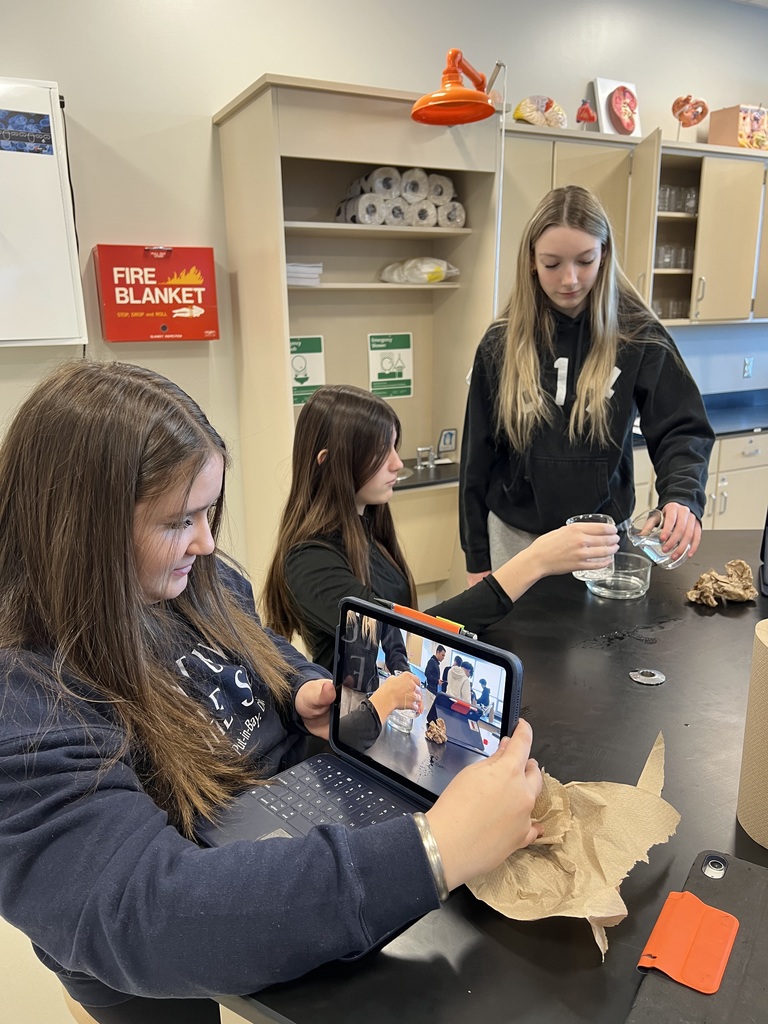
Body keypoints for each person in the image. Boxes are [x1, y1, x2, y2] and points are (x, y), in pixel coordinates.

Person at [0, 360, 544, 1024]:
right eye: (179, 521)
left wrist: (301, 689)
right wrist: (433, 851)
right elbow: (142, 912)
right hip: (162, 960)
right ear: (80, 528)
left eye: (209, 514)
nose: (205, 541)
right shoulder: (25, 697)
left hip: (280, 831)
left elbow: (255, 647)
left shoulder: (190, 578)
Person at [262, 383, 618, 686]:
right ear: (328, 462)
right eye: (379, 452)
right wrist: (534, 560)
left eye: (394, 448)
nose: (397, 464)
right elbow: (402, 636)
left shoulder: (365, 526)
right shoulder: (309, 559)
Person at [460, 184, 715, 584]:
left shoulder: (639, 337)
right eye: (552, 264)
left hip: (601, 541)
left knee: (597, 646)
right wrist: (476, 560)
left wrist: (683, 495)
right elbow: (477, 457)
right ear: (530, 261)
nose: (570, 279)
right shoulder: (500, 343)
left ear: (605, 255)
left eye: (585, 260)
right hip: (515, 542)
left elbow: (682, 429)